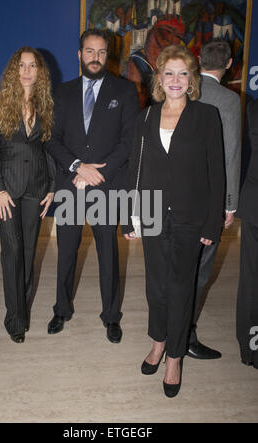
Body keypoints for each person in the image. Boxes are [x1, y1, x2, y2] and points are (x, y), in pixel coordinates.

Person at [122, 45, 225, 397]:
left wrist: (212, 225)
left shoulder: (207, 116)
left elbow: (217, 174)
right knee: (156, 287)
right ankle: (158, 341)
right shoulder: (146, 118)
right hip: (151, 213)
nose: (176, 80)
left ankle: (174, 358)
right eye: (169, 73)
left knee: (181, 289)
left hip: (190, 218)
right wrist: (128, 217)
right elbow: (135, 169)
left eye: (183, 73)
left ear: (192, 78)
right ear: (159, 79)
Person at [46, 29, 139, 343]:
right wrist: (77, 167)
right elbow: (52, 140)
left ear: (107, 56)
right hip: (72, 184)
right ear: (79, 54)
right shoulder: (62, 92)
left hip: (106, 186)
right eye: (89, 51)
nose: (95, 57)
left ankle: (111, 316)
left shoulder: (125, 91)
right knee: (66, 253)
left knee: (108, 255)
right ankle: (61, 309)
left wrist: (101, 171)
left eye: (101, 52)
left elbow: (129, 141)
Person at [0, 47, 56, 343]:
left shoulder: (45, 104)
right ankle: (14, 318)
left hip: (36, 188)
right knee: (12, 253)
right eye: (22, 65)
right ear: (15, 70)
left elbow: (48, 148)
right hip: (8, 190)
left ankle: (21, 310)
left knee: (27, 254)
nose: (27, 70)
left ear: (39, 72)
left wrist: (51, 187)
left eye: (32, 65)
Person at [187, 38, 241, 360]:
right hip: (209, 200)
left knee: (177, 266)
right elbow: (231, 154)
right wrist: (229, 204)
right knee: (200, 270)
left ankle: (165, 329)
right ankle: (186, 334)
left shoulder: (182, 90)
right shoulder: (229, 101)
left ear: (198, 59)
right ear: (229, 64)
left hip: (175, 198)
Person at [236, 98, 258, 369]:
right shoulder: (251, 108)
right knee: (252, 279)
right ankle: (250, 346)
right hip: (254, 205)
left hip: (253, 202)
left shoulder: (251, 107)